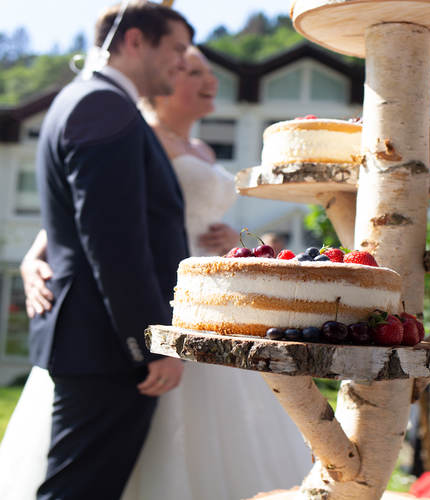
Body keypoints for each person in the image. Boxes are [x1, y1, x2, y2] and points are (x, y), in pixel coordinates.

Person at [1, 44, 311, 500]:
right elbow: (90, 211)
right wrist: (35, 254)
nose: (209, 81)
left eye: (209, 72)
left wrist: (229, 239)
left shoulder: (202, 150)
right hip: (156, 294)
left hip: (212, 300)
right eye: (190, 71)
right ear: (163, 78)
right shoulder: (137, 134)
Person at [0, 3, 194, 500]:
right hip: (108, 347)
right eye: (175, 48)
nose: (182, 60)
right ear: (133, 40)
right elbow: (113, 242)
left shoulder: (90, 100)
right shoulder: (101, 105)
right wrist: (150, 342)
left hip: (96, 342)